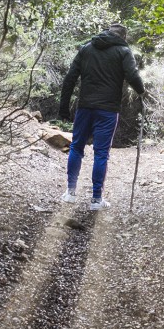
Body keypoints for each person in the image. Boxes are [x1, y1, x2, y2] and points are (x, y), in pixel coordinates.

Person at [58, 23, 145, 209]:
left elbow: (70, 78)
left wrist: (63, 108)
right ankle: (96, 199)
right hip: (107, 110)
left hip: (85, 107)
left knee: (76, 147)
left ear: (107, 32)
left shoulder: (86, 48)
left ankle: (70, 192)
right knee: (101, 153)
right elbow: (132, 74)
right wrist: (141, 90)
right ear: (123, 36)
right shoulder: (123, 51)